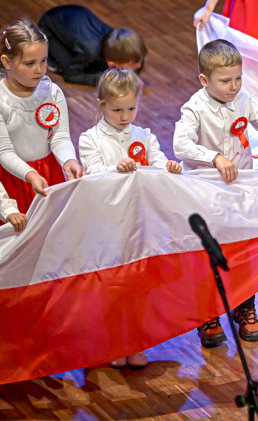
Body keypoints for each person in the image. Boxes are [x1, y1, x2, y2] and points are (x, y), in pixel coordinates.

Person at [174, 39, 258, 347]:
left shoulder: (244, 100)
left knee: (243, 248)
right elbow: (181, 145)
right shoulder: (195, 108)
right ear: (204, 80)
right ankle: (208, 313)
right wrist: (214, 157)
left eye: (238, 78)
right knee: (209, 252)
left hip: (240, 191)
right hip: (205, 191)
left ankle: (244, 305)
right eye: (225, 81)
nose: (234, 86)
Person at [78, 67, 182, 368]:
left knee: (140, 284)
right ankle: (114, 343)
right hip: (109, 224)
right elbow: (93, 172)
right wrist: (116, 168)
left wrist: (169, 167)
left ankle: (137, 342)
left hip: (140, 221)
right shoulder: (90, 139)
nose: (125, 116)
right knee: (113, 285)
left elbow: (158, 163)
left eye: (131, 109)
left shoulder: (144, 136)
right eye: (117, 110)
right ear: (102, 105)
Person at [0, 20, 86, 213]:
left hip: (48, 173)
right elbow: (4, 151)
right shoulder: (2, 100)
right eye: (30, 63)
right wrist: (30, 174)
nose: (39, 69)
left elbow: (60, 136)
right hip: (14, 177)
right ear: (7, 62)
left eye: (44, 60)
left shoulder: (52, 92)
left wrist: (69, 160)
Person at [38, 5, 147, 87]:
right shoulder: (91, 51)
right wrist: (109, 81)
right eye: (132, 64)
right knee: (68, 66)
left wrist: (132, 75)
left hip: (76, 19)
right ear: (111, 63)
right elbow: (71, 76)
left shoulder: (117, 45)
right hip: (49, 29)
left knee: (97, 66)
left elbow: (140, 62)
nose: (138, 65)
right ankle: (50, 59)